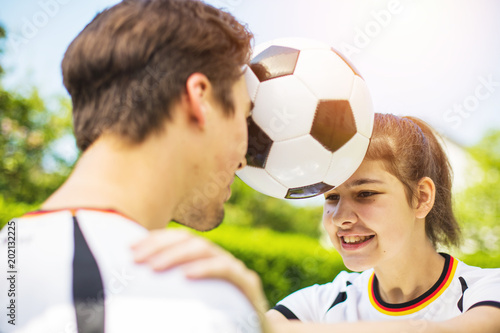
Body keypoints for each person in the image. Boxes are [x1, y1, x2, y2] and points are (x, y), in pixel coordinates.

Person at [0, 0, 265, 332]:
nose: (243, 160)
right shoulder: (181, 304)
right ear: (200, 99)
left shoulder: (15, 254)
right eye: (243, 115)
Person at [133, 113, 500, 332]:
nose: (341, 217)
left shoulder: (486, 289)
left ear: (421, 197)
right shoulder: (320, 301)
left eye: (366, 194)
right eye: (331, 198)